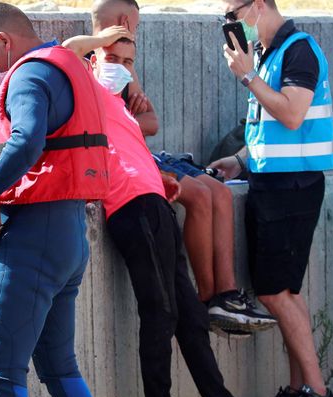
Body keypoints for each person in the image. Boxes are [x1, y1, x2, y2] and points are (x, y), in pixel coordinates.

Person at [63, 32, 285, 397]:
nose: (122, 68)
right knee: (161, 313)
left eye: (129, 62)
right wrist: (101, 38)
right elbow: (63, 53)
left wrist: (159, 178)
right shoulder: (83, 88)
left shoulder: (118, 105)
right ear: (94, 58)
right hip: (131, 209)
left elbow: (125, 154)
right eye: (114, 58)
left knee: (190, 316)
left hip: (153, 204)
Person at [0, 3, 109, 397]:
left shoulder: (28, 77)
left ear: (5, 41)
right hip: (69, 231)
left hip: (36, 234)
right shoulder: (63, 68)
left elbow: (26, 141)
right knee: (58, 364)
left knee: (2, 367)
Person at [91, 0, 275, 333]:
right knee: (202, 196)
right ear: (124, 20)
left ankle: (228, 294)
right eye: (136, 23)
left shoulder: (123, 63)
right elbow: (126, 123)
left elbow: (152, 122)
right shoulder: (100, 63)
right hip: (128, 168)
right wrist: (130, 118)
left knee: (219, 191)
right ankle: (207, 299)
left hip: (143, 156)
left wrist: (128, 118)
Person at [216, 0, 333, 397]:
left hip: (293, 186)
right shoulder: (269, 54)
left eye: (233, 12)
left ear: (259, 5)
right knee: (285, 293)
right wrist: (242, 159)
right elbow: (271, 126)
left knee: (273, 292)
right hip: (274, 181)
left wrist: (248, 76)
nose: (230, 22)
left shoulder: (298, 49)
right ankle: (299, 389)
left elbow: (291, 113)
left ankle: (319, 395)